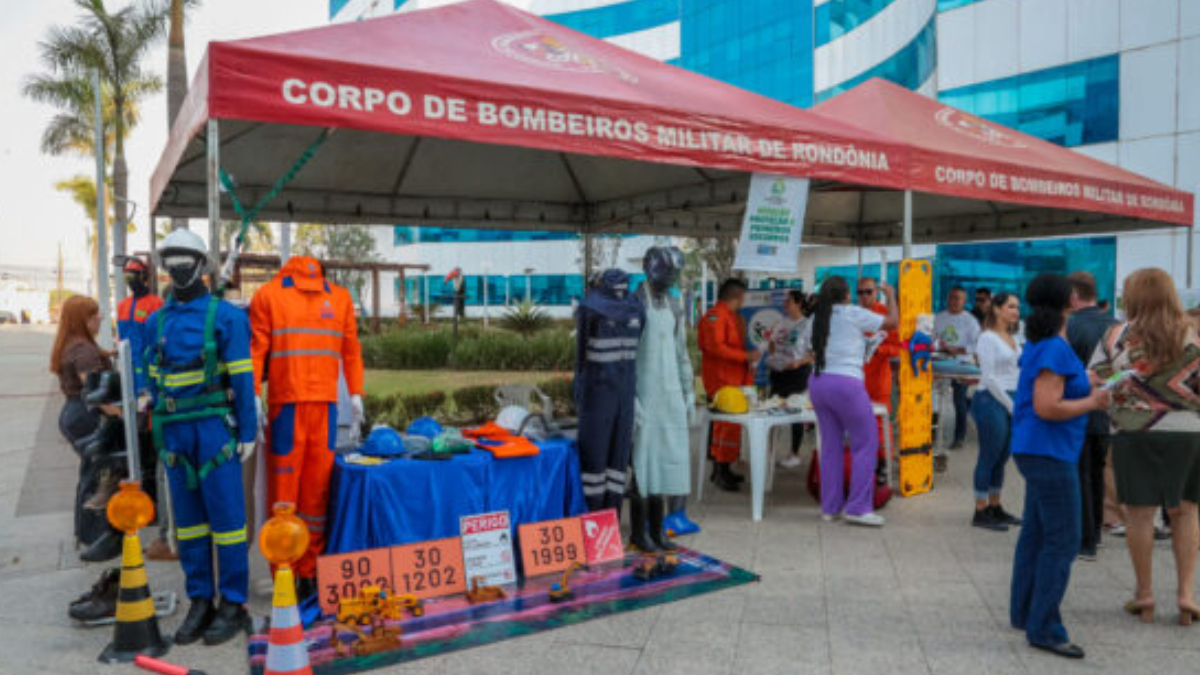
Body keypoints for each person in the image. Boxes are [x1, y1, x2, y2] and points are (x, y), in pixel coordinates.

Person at [148, 229, 257, 645]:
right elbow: (151, 377)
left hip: (215, 432)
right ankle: (200, 600)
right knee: (189, 525)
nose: (176, 267)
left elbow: (243, 379)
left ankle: (232, 602)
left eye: (183, 259)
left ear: (201, 265)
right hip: (175, 433)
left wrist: (246, 429)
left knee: (228, 522)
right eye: (169, 259)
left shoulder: (227, 317)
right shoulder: (156, 322)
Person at [1090, 268, 1200, 627]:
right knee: (1186, 511)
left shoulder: (1116, 336)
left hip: (1134, 433)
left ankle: (1145, 594)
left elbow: (1096, 381)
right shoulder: (1194, 335)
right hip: (1189, 433)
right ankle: (1186, 594)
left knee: (1139, 514)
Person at [250, 255, 365, 597]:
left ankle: (296, 571)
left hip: (299, 407)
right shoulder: (335, 297)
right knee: (306, 493)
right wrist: (356, 393)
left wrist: (255, 393)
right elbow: (353, 352)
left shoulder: (269, 295)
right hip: (305, 408)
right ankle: (297, 569)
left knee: (298, 493)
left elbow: (257, 352)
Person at [1009, 273, 1109, 660]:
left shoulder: (1045, 342)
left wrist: (1084, 380)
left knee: (1035, 534)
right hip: (1049, 451)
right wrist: (1093, 402)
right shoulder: (1053, 345)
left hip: (1038, 449)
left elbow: (1051, 386)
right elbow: (1047, 406)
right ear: (1068, 298)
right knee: (1063, 540)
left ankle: (1025, 613)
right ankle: (1045, 628)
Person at [805, 276, 897, 526]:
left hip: (818, 382)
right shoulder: (853, 313)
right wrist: (889, 295)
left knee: (831, 447)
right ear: (847, 295)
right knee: (866, 443)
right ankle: (857, 507)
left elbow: (808, 350)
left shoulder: (815, 318)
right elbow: (892, 322)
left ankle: (830, 507)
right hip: (847, 384)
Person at [630, 247, 695, 551]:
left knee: (668, 463)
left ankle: (657, 531)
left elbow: (681, 351)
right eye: (667, 275)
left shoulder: (674, 303)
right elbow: (626, 357)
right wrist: (631, 397)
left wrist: (689, 389)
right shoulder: (634, 302)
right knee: (644, 464)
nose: (670, 282)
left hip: (670, 396)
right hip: (644, 394)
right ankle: (639, 533)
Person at [51, 295, 123, 561]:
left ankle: (85, 533)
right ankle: (97, 538)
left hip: (73, 413)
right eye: (95, 315)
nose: (100, 318)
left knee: (89, 472)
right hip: (86, 415)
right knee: (99, 475)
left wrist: (111, 354)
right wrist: (122, 415)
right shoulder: (83, 350)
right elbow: (96, 394)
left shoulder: (73, 344)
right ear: (83, 319)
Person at [1065, 271, 1117, 561]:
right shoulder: (1117, 326)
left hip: (1080, 409)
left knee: (1081, 476)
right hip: (1108, 411)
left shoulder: (1071, 328)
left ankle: (1085, 541)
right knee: (1097, 474)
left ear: (1073, 295)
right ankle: (1095, 531)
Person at [698, 278, 759, 492]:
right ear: (737, 296)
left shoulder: (732, 317)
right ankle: (720, 471)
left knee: (731, 429)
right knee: (724, 428)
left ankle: (724, 468)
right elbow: (717, 349)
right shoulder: (715, 316)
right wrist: (745, 356)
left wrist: (748, 362)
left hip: (733, 380)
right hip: (721, 381)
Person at [970, 292, 1023, 531]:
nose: (1016, 311)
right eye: (1011, 307)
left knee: (1002, 458)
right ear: (997, 309)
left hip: (1011, 399)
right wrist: (1010, 405)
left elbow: (1017, 372)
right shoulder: (987, 338)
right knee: (989, 455)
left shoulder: (1014, 337)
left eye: (1017, 307)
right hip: (990, 399)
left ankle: (995, 506)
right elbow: (989, 377)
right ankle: (980, 510)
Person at [859, 276, 902, 474]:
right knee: (858, 423)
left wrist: (878, 350)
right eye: (861, 292)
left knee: (880, 425)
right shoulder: (854, 315)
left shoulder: (887, 315)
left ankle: (883, 465)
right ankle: (864, 462)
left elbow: (898, 348)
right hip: (856, 380)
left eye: (868, 291)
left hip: (878, 380)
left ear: (876, 292)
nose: (864, 296)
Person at [766, 290, 813, 469]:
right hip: (778, 373)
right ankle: (769, 452)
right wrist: (774, 357)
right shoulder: (781, 322)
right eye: (785, 301)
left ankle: (794, 454)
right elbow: (771, 342)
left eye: (789, 301)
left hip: (797, 374)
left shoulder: (808, 324)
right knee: (770, 409)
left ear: (799, 303)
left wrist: (799, 362)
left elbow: (814, 354)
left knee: (795, 412)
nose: (785, 304)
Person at [935, 286, 981, 449]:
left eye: (958, 298)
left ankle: (959, 437)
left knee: (958, 400)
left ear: (964, 301)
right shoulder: (938, 318)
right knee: (933, 399)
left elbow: (977, 344)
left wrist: (956, 350)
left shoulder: (970, 320)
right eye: (952, 297)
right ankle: (933, 434)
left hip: (962, 364)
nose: (954, 301)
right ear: (947, 299)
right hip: (940, 362)